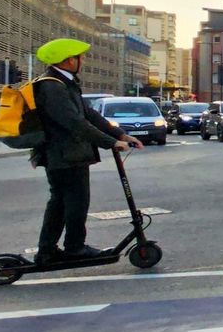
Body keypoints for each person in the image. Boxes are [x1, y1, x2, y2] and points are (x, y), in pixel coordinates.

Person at [31, 38, 141, 264]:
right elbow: (74, 122)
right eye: (81, 57)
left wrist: (120, 135)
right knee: (74, 202)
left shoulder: (64, 83)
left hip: (69, 154)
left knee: (62, 203)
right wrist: (109, 143)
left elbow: (89, 115)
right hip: (64, 155)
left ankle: (48, 251)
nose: (83, 60)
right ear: (69, 60)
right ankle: (73, 247)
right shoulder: (52, 86)